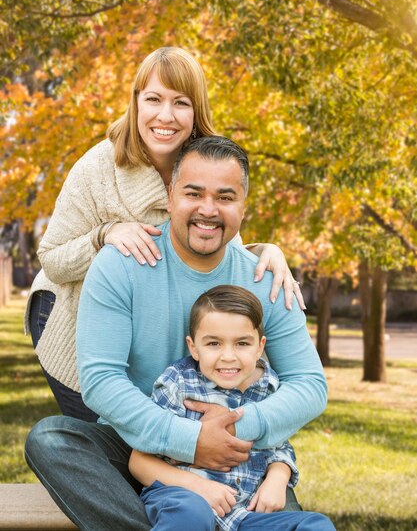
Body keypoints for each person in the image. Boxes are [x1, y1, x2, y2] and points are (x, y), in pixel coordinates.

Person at [25, 136, 328, 531]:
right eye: (193, 193)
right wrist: (190, 438)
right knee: (51, 439)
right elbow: (101, 383)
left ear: (243, 206)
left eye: (225, 197)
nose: (208, 209)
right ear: (170, 196)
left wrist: (237, 426)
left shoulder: (264, 278)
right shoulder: (121, 264)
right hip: (137, 443)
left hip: (235, 454)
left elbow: (310, 385)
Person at [25, 46, 305, 422]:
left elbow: (214, 237)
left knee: (157, 429)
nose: (165, 116)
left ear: (196, 111)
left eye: (181, 103)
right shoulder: (97, 167)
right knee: (108, 436)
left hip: (145, 321)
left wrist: (264, 250)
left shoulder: (206, 162)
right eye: (154, 99)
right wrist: (103, 234)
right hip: (68, 312)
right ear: (136, 102)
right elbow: (53, 259)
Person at [131, 284, 335, 531]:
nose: (228, 356)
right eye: (214, 344)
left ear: (260, 347)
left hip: (244, 514)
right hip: (183, 498)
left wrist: (278, 477)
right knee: (191, 515)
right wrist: (199, 487)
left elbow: (279, 445)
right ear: (193, 347)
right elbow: (139, 461)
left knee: (316, 524)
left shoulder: (268, 387)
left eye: (242, 343)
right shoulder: (179, 383)